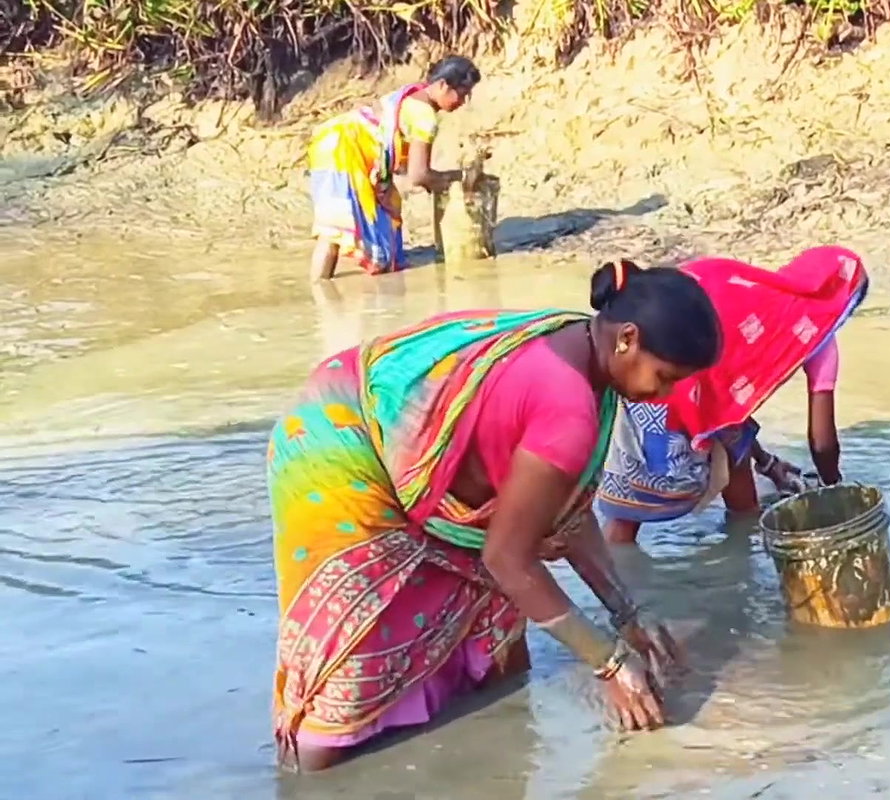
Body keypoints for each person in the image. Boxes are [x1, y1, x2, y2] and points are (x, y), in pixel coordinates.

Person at [267, 260, 722, 772]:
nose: (663, 397)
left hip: (391, 439)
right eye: (663, 378)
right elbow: (508, 559)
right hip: (339, 448)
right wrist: (610, 664)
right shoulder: (567, 406)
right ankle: (308, 776)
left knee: (496, 638)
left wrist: (627, 615)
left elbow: (564, 516)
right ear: (626, 339)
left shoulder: (577, 342)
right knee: (351, 672)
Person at [596, 246, 869, 545]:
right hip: (665, 381)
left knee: (631, 510)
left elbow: (728, 402)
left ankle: (732, 549)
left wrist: (766, 463)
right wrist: (835, 491)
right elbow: (823, 442)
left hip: (637, 368)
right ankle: (739, 559)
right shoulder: (818, 336)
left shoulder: (745, 284)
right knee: (642, 504)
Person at [306, 55, 480, 282]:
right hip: (343, 150)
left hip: (329, 142)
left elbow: (401, 160)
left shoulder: (413, 96)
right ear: (442, 85)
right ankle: (321, 291)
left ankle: (323, 290)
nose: (462, 102)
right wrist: (459, 177)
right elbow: (418, 175)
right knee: (333, 232)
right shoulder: (425, 116)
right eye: (462, 93)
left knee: (365, 216)